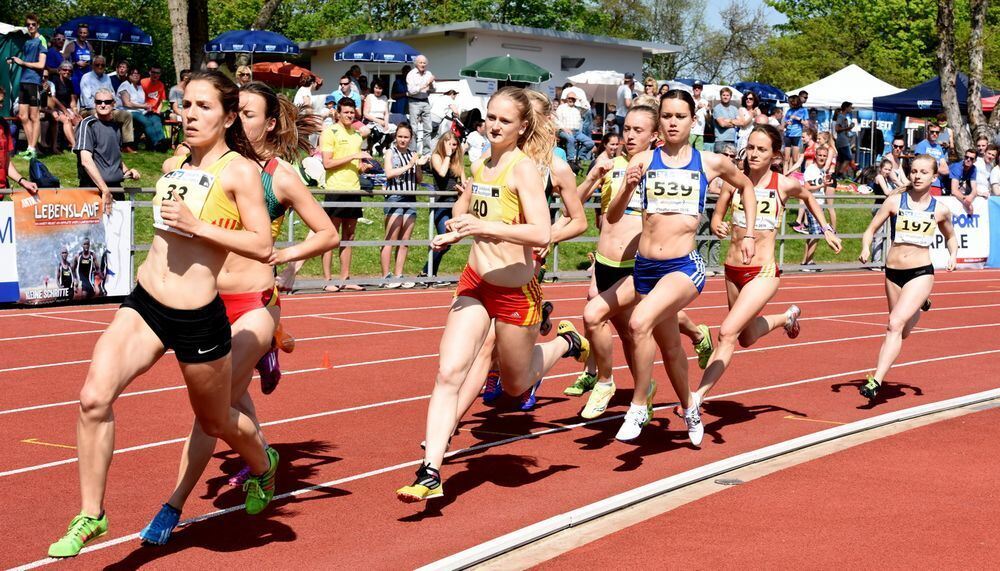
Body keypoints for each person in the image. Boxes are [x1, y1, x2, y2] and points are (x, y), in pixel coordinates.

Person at [47, 70, 280, 558]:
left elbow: (261, 244)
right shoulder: (175, 162)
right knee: (93, 398)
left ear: (229, 115)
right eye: (185, 105)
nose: (189, 114)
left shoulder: (240, 172)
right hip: (145, 304)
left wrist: (200, 226)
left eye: (203, 106)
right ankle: (92, 513)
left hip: (198, 317)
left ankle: (262, 463)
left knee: (215, 423)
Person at [137, 81, 337, 545]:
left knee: (213, 410)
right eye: (234, 109)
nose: (236, 118)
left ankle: (172, 505)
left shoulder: (276, 175)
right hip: (204, 304)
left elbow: (327, 233)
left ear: (268, 123)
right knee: (224, 404)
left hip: (252, 304)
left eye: (247, 113)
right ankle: (261, 448)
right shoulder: (191, 166)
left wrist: (282, 258)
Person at [395, 87, 590, 503]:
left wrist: (488, 230)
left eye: (505, 120)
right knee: (450, 371)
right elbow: (468, 212)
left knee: (517, 385)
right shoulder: (482, 163)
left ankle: (567, 342)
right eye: (491, 117)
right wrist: (453, 230)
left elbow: (540, 231)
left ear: (522, 127)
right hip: (476, 283)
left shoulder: (525, 170)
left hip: (516, 290)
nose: (495, 125)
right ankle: (431, 469)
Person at [603, 89, 758, 443]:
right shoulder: (642, 160)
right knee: (671, 348)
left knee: (639, 323)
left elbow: (746, 186)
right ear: (659, 121)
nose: (672, 122)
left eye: (680, 117)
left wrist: (747, 233)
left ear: (692, 121)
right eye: (667, 116)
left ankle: (639, 405)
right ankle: (690, 408)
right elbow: (611, 217)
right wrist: (627, 189)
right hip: (645, 267)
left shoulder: (709, 162)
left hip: (683, 266)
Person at [568, 103, 715, 414]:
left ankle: (618, 386)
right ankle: (644, 387)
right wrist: (594, 174)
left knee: (636, 324)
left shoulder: (656, 166)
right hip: (607, 261)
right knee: (628, 330)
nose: (630, 136)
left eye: (638, 130)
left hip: (637, 264)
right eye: (627, 129)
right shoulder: (608, 164)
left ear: (654, 135)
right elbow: (573, 204)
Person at [690, 125, 841, 404]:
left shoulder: (782, 184)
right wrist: (716, 224)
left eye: (761, 149)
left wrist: (826, 228)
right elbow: (716, 215)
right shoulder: (733, 181)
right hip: (733, 269)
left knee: (726, 333)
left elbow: (808, 196)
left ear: (775, 156)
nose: (754, 154)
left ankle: (696, 398)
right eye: (750, 148)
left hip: (763, 270)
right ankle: (786, 318)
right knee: (745, 337)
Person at [858, 154, 957, 401]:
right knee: (901, 332)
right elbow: (870, 230)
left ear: (934, 177)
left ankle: (876, 380)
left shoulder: (940, 210)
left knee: (894, 323)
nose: (917, 176)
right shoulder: (895, 202)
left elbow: (951, 237)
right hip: (893, 273)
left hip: (920, 272)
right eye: (914, 171)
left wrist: (952, 255)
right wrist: (865, 247)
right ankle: (920, 305)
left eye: (924, 172)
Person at [320, 97, 369, 292]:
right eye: (346, 112)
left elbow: (354, 165)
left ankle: (345, 278)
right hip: (335, 189)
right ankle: (327, 280)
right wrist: (353, 157)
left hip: (353, 189)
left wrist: (362, 167)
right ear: (338, 113)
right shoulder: (329, 132)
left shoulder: (357, 135)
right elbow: (327, 163)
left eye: (352, 112)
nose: (349, 115)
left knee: (349, 235)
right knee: (331, 236)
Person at [74, 88, 141, 198]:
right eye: (99, 102)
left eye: (107, 102)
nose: (103, 105)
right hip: (93, 190)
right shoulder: (87, 125)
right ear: (94, 104)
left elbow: (114, 157)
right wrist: (104, 190)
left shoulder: (116, 126)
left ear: (114, 104)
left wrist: (127, 171)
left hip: (116, 189)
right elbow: (86, 161)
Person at [380, 123, 424, 289]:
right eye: (400, 136)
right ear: (395, 137)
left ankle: (399, 274)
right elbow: (389, 173)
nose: (403, 140)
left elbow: (419, 179)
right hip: (395, 197)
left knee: (405, 240)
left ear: (410, 138)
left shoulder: (413, 154)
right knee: (391, 238)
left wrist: (418, 165)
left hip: (411, 197)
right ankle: (385, 276)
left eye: (406, 137)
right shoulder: (391, 152)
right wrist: (410, 165)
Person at [422, 131, 466, 281]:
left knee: (449, 241)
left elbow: (464, 180)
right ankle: (427, 272)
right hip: (440, 203)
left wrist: (463, 188)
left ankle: (430, 272)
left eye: (455, 145)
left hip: (454, 204)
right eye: (450, 144)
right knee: (444, 238)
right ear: (443, 143)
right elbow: (441, 172)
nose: (453, 148)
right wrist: (447, 155)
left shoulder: (457, 159)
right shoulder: (436, 157)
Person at [79, 56, 136, 152]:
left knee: (126, 115)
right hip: (88, 109)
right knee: (103, 115)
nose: (100, 67)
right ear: (93, 66)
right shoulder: (86, 78)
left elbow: (113, 95)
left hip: (107, 108)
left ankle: (126, 145)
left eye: (103, 65)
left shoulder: (107, 78)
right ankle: (102, 144)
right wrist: (103, 108)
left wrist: (112, 106)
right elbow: (87, 101)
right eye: (97, 65)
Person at [10, 14, 45, 159]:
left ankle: (32, 148)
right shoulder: (27, 42)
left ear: (38, 25)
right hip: (23, 81)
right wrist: (12, 60)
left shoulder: (41, 40)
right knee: (23, 116)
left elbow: (41, 65)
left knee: (34, 116)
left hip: (33, 81)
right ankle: (31, 147)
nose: (30, 26)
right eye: (28, 24)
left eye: (33, 24)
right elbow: (23, 59)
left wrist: (23, 63)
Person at [117, 67, 168, 151]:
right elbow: (127, 103)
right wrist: (143, 106)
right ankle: (156, 144)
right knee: (146, 122)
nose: (136, 75)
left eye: (138, 74)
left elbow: (144, 102)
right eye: (133, 73)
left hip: (142, 111)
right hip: (128, 111)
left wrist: (148, 108)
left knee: (156, 120)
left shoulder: (139, 87)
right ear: (128, 75)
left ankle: (162, 142)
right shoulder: (125, 85)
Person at [0, 87, 39, 194]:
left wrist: (23, 181)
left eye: (2, 102)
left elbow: (6, 162)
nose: (1, 105)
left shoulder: (3, 125)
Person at [47, 61, 80, 152]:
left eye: (70, 71)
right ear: (59, 71)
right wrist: (66, 111)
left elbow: (72, 100)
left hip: (67, 108)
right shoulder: (55, 81)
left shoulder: (70, 83)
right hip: (56, 108)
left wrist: (75, 111)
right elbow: (53, 98)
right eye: (64, 70)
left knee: (79, 121)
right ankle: (74, 146)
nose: (67, 72)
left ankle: (80, 143)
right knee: (67, 119)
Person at [556, 91, 594, 165]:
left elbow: (587, 109)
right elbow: (557, 120)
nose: (571, 100)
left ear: (575, 100)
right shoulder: (561, 108)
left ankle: (580, 157)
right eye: (569, 98)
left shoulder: (578, 109)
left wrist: (580, 100)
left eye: (573, 98)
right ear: (566, 99)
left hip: (577, 132)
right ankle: (571, 160)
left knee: (590, 143)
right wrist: (564, 128)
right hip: (564, 131)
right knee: (571, 139)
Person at [407, 55, 435, 154]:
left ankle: (426, 153)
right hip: (414, 102)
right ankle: (412, 152)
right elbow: (411, 90)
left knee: (428, 128)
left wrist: (431, 84)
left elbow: (433, 89)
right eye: (420, 62)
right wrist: (425, 84)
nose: (422, 65)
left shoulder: (429, 73)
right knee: (413, 128)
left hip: (425, 101)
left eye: (424, 63)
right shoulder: (411, 74)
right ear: (416, 63)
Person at [913, 123, 949, 195]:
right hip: (924, 184)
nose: (934, 134)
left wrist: (930, 168)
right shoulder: (922, 145)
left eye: (937, 132)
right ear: (927, 132)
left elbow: (946, 170)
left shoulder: (939, 147)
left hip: (937, 184)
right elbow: (921, 164)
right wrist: (937, 169)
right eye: (932, 132)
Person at [363, 79, 395, 155]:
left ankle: (381, 147)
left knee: (393, 133)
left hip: (382, 121)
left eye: (380, 88)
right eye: (376, 88)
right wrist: (378, 121)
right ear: (373, 88)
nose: (378, 90)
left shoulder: (384, 98)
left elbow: (386, 113)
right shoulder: (369, 97)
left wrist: (386, 124)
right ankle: (370, 147)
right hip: (371, 120)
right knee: (377, 133)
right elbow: (365, 114)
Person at [63, 23, 94, 95]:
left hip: (87, 79)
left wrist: (88, 64)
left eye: (85, 33)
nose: (82, 35)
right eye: (81, 33)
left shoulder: (89, 46)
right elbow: (63, 63)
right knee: (76, 98)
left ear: (87, 34)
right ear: (77, 33)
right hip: (75, 78)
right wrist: (75, 63)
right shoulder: (71, 45)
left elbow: (92, 62)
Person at [781, 94, 808, 173]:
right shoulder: (789, 111)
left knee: (795, 158)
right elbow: (784, 123)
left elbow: (806, 123)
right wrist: (786, 123)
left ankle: (793, 175)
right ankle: (785, 174)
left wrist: (797, 118)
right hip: (788, 134)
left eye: (790, 102)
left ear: (795, 102)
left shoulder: (803, 110)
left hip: (797, 134)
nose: (789, 104)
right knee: (786, 158)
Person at [949, 148, 978, 213]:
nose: (968, 160)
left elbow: (974, 190)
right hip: (942, 187)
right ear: (964, 157)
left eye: (971, 158)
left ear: (975, 160)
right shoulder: (957, 167)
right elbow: (954, 190)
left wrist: (970, 198)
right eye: (966, 157)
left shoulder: (974, 169)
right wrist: (966, 202)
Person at [712, 87, 739, 153]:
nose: (725, 97)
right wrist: (734, 124)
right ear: (720, 96)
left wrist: (729, 120)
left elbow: (739, 123)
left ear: (730, 97)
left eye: (727, 95)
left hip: (733, 141)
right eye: (723, 95)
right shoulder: (717, 108)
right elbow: (722, 124)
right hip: (721, 141)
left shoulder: (734, 109)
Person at [834, 101, 856, 179]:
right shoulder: (841, 117)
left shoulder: (843, 117)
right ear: (846, 108)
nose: (851, 109)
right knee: (848, 158)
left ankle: (836, 175)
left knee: (840, 159)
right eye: (850, 107)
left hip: (842, 140)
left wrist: (849, 129)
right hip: (842, 141)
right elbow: (837, 128)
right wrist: (848, 128)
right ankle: (840, 173)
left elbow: (843, 130)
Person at [690, 80, 709, 150]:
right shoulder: (689, 100)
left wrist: (708, 111)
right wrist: (697, 108)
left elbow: (708, 119)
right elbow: (687, 114)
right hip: (690, 131)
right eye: (695, 87)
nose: (697, 89)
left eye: (699, 87)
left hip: (701, 132)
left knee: (699, 152)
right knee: (686, 150)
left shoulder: (705, 102)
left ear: (701, 89)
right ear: (693, 89)